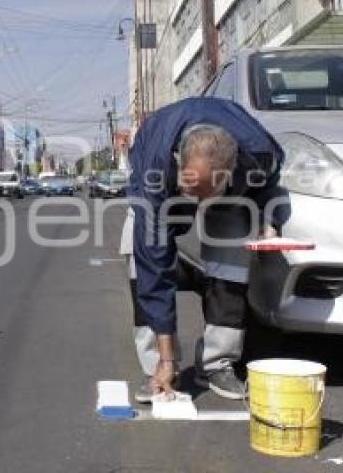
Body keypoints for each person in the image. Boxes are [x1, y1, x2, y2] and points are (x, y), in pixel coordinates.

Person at [122, 97, 289, 401]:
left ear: (232, 171)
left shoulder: (259, 153)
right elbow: (153, 262)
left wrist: (269, 220)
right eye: (190, 192)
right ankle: (158, 365)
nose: (196, 204)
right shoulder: (156, 168)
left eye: (203, 195)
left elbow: (270, 184)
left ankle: (217, 363)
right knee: (140, 259)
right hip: (159, 176)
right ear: (179, 161)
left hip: (227, 188)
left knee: (233, 248)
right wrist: (168, 357)